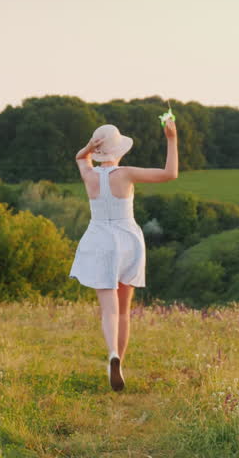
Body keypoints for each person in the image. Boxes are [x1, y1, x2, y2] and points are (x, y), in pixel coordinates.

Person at [70, 119, 178, 391]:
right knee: (124, 311)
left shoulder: (89, 175)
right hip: (127, 240)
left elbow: (80, 157)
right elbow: (170, 173)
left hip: (99, 240)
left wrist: (87, 148)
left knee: (109, 310)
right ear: (118, 149)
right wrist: (172, 138)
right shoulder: (126, 173)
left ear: (97, 150)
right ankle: (121, 362)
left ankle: (112, 356)